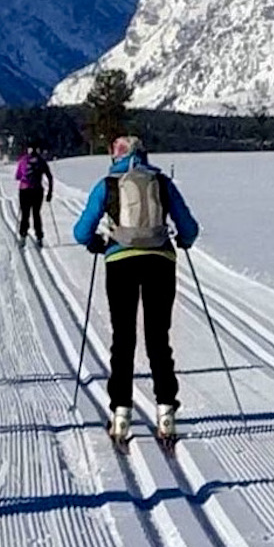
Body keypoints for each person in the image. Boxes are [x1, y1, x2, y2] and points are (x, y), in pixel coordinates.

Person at [73, 136, 199, 441]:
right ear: (144, 154)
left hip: (120, 261)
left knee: (123, 336)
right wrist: (182, 241)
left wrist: (96, 243)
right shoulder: (162, 182)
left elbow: (80, 232)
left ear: (115, 156)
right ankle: (166, 411)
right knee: (158, 336)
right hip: (160, 260)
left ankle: (120, 414)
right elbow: (190, 229)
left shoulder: (108, 184)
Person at [14, 143, 55, 247]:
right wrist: (50, 192)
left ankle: (23, 237)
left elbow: (18, 176)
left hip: (24, 190)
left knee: (25, 214)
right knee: (36, 214)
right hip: (37, 190)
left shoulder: (23, 160)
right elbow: (50, 177)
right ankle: (39, 237)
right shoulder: (41, 161)